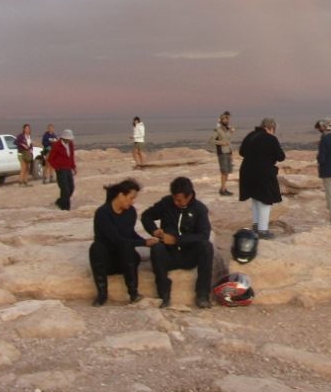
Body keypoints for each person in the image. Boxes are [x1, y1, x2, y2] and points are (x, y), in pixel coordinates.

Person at [141, 176, 215, 309]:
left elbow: (204, 235)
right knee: (156, 248)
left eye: (179, 200)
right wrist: (154, 231)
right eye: (174, 198)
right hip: (169, 255)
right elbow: (146, 216)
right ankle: (164, 295)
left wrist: (176, 240)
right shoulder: (166, 203)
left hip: (189, 256)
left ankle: (202, 294)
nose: (175, 202)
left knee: (206, 247)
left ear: (189, 196)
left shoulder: (199, 209)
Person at [89, 178, 157, 306]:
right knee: (96, 248)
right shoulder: (103, 213)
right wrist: (143, 243)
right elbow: (115, 239)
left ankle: (133, 293)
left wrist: (145, 241)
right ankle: (102, 294)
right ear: (121, 195)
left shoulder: (130, 212)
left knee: (126, 248)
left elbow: (130, 234)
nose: (132, 202)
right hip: (106, 260)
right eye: (131, 198)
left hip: (125, 259)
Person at [238, 117, 285, 239]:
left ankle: (256, 225)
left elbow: (241, 152)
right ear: (271, 127)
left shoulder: (251, 135)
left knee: (255, 198)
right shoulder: (271, 138)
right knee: (265, 201)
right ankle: (263, 230)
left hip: (247, 172)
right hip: (263, 173)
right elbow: (281, 156)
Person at [47, 129, 76, 210]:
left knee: (71, 188)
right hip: (61, 170)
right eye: (68, 139)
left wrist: (73, 167)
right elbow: (50, 159)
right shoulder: (57, 145)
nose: (69, 140)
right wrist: (57, 168)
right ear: (63, 138)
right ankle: (65, 208)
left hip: (68, 168)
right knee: (65, 189)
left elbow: (71, 156)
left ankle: (60, 202)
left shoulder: (70, 144)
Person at [212, 111, 235, 196]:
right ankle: (222, 189)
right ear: (222, 119)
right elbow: (211, 140)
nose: (228, 120)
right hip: (222, 152)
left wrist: (231, 152)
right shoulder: (218, 129)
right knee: (224, 172)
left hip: (228, 152)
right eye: (226, 118)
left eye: (228, 118)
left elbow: (228, 141)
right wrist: (222, 143)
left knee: (227, 171)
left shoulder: (226, 128)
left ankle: (224, 188)